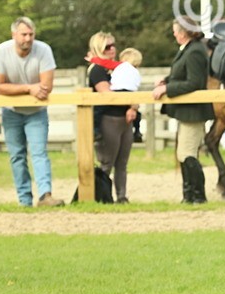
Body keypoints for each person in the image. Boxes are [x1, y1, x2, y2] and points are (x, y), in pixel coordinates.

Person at [0, 17, 64, 207]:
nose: (28, 39)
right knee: (17, 156)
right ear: (14, 35)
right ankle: (24, 200)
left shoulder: (44, 50)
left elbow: (47, 86)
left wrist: (26, 89)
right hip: (11, 111)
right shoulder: (1, 52)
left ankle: (45, 195)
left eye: (31, 34)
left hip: (37, 111)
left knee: (39, 152)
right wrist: (29, 88)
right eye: (24, 34)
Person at [152, 18, 214, 204]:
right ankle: (189, 195)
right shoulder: (188, 49)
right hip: (186, 111)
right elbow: (180, 74)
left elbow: (194, 82)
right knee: (184, 153)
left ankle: (197, 195)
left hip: (193, 111)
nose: (174, 34)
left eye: (176, 31)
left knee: (187, 153)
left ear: (184, 32)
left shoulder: (195, 51)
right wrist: (166, 80)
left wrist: (167, 89)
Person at [85, 34, 141, 203]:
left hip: (124, 119)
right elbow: (108, 94)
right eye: (107, 47)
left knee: (122, 163)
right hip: (108, 119)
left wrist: (133, 105)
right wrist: (132, 102)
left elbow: (132, 89)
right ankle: (102, 195)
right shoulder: (97, 70)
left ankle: (122, 196)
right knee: (106, 162)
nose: (112, 49)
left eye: (113, 45)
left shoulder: (118, 68)